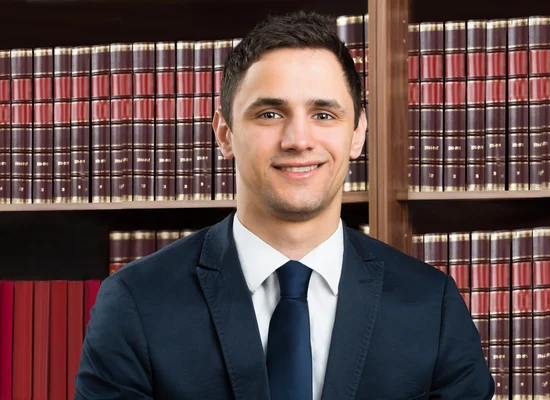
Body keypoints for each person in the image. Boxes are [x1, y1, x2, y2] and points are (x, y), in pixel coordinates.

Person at [74, 11, 494, 400]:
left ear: (357, 134)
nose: (297, 139)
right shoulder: (136, 302)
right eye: (270, 114)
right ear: (225, 133)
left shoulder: (431, 306)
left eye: (324, 115)